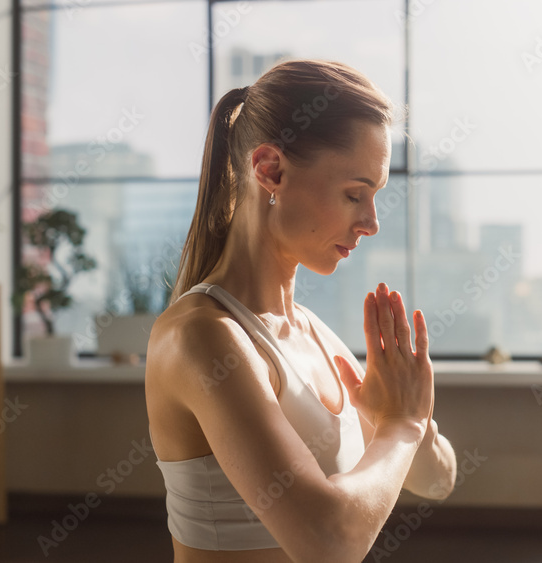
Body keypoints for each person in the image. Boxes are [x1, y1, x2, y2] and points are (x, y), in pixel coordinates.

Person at [145, 59, 457, 563]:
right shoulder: (201, 336)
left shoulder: (314, 336)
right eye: (355, 194)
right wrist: (399, 426)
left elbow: (438, 480)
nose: (372, 222)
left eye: (374, 196)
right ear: (271, 170)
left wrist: (408, 417)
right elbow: (329, 543)